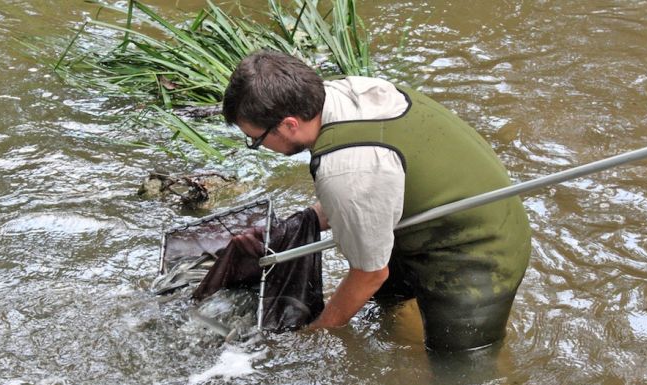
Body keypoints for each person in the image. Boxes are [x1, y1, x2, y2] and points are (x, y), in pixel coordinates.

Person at [222, 50, 531, 352]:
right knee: (388, 305)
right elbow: (366, 192)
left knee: (462, 375)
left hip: (481, 252)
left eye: (258, 140)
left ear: (289, 124)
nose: (259, 146)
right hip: (443, 214)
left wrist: (316, 333)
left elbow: (370, 273)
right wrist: (299, 225)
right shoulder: (342, 91)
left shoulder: (344, 170)